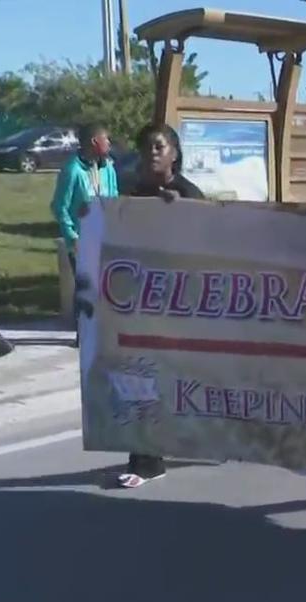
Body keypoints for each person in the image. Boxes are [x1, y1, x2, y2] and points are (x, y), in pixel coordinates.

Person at [113, 123, 207, 489]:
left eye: (159, 146)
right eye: (146, 146)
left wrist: (181, 213)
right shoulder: (131, 192)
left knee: (176, 379)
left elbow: (211, 242)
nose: (152, 152)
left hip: (180, 305)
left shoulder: (188, 193)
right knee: (138, 376)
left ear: (174, 154)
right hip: (138, 301)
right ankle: (146, 459)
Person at [51, 123, 119, 270]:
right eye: (106, 139)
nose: (109, 143)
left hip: (105, 241)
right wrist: (72, 236)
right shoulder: (73, 170)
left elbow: (114, 199)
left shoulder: (108, 168)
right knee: (86, 289)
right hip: (81, 242)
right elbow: (60, 206)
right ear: (94, 141)